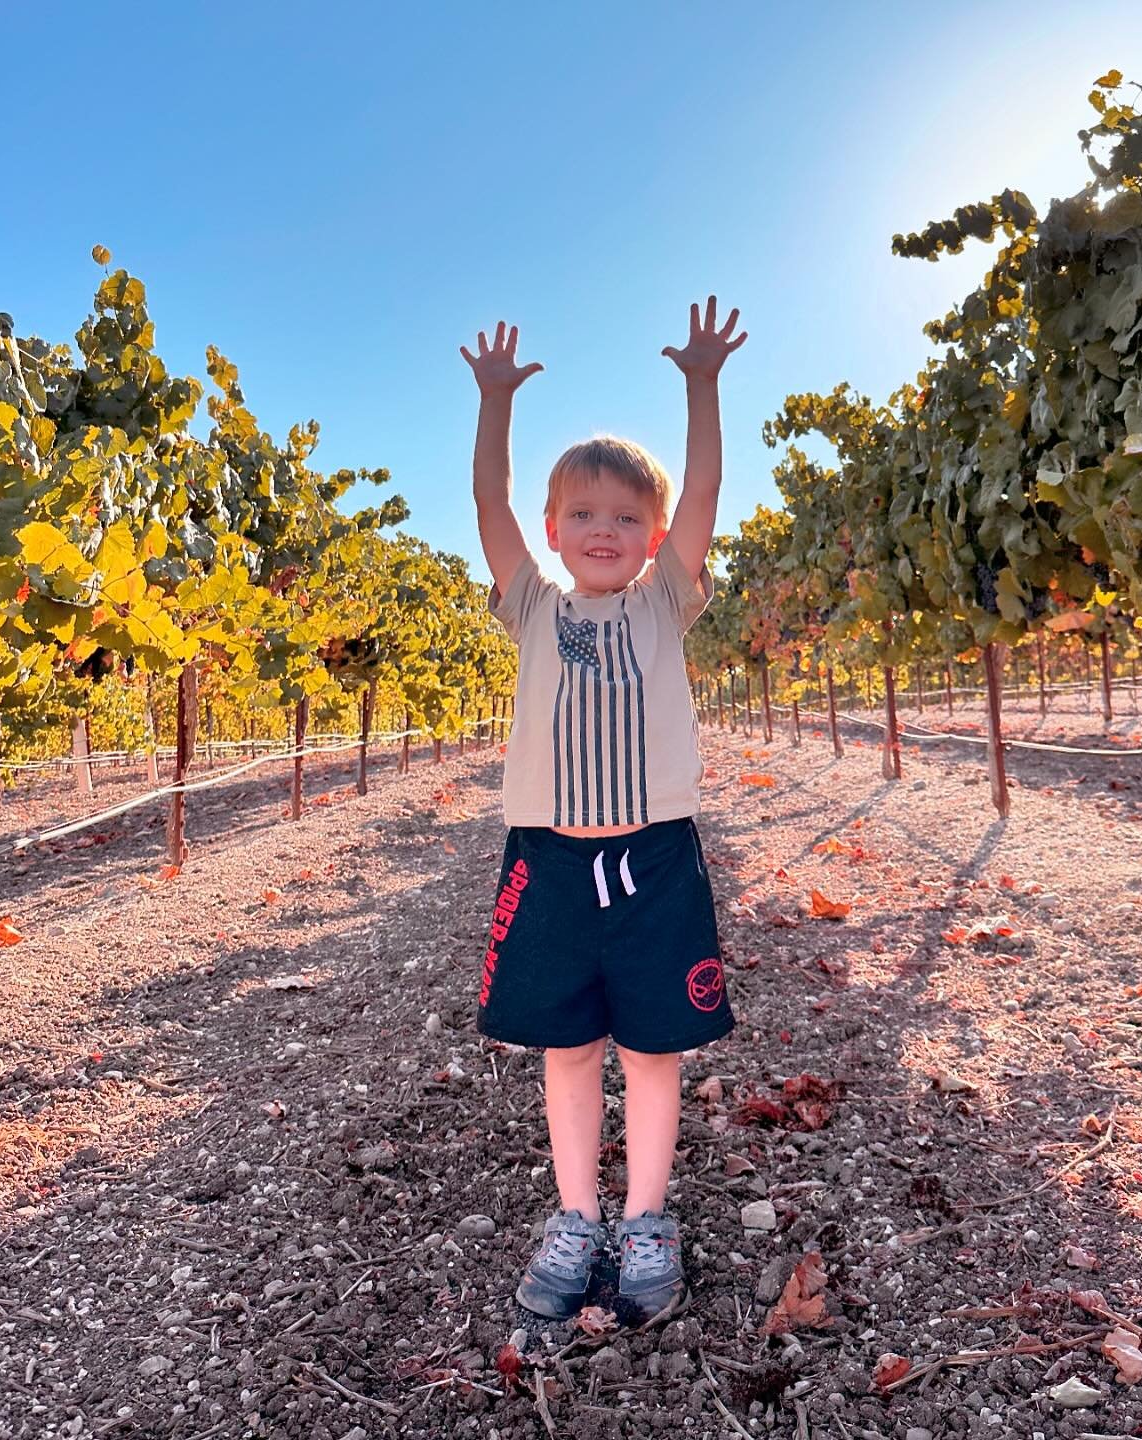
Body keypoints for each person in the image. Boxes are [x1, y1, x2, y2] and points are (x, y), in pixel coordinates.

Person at [460, 297, 746, 1323]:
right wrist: (495, 403)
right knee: (568, 1051)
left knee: (652, 1050)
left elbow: (705, 483)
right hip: (547, 862)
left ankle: (648, 1218)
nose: (606, 531)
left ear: (656, 534)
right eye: (585, 514)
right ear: (554, 531)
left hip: (654, 861)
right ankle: (578, 1215)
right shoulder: (534, 604)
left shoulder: (666, 600)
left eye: (628, 517)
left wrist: (701, 385)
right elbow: (489, 505)